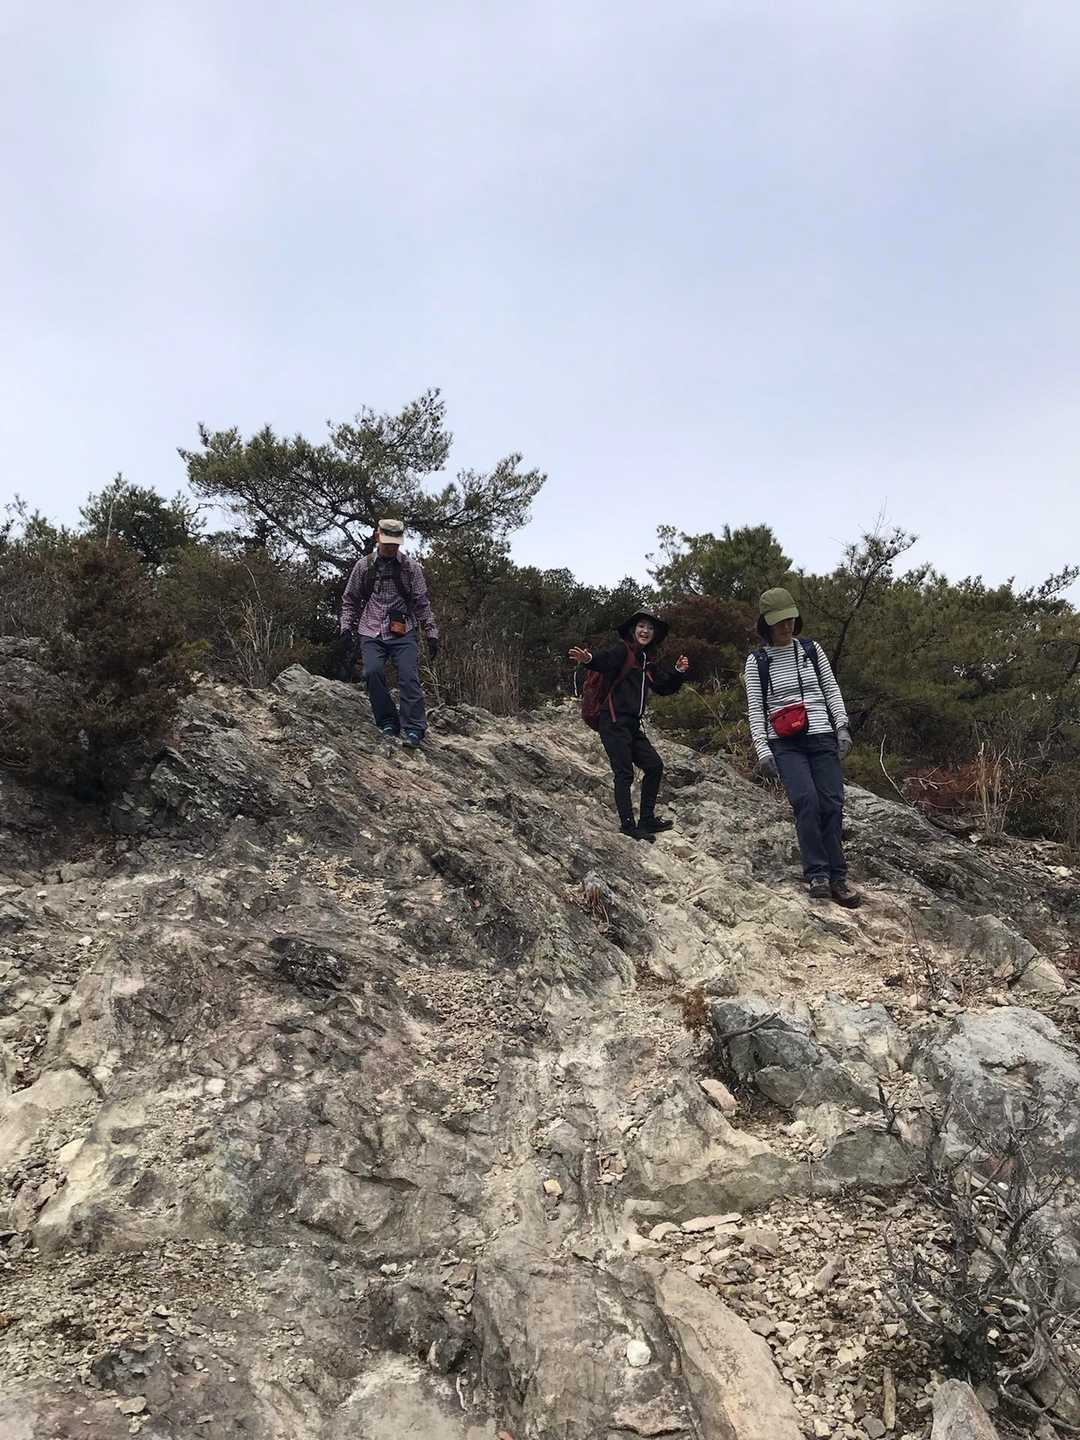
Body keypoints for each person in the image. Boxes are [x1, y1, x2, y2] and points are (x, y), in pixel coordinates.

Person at [745, 587, 862, 906]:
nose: (786, 626)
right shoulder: (757, 661)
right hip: (785, 743)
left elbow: (831, 689)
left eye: (790, 619)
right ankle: (817, 873)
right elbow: (756, 708)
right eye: (779, 621)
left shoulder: (811, 649)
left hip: (822, 735)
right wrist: (763, 750)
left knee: (832, 803)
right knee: (806, 802)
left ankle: (838, 877)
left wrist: (842, 727)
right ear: (766, 624)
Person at [569, 611, 689, 842]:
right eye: (641, 626)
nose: (645, 631)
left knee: (654, 765)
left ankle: (647, 819)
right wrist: (589, 659)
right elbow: (604, 659)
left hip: (632, 725)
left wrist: (678, 672)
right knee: (624, 773)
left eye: (650, 628)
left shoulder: (645, 661)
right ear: (633, 630)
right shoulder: (622, 651)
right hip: (613, 721)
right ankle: (628, 825)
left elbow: (663, 687)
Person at [340, 519, 439, 747]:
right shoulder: (363, 567)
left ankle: (414, 729)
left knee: (408, 676)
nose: (391, 547)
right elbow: (350, 599)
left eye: (395, 543)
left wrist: (431, 633)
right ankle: (387, 722)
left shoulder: (411, 568)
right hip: (371, 629)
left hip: (403, 630)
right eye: (387, 543)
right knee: (372, 672)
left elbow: (422, 603)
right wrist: (346, 628)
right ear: (377, 537)